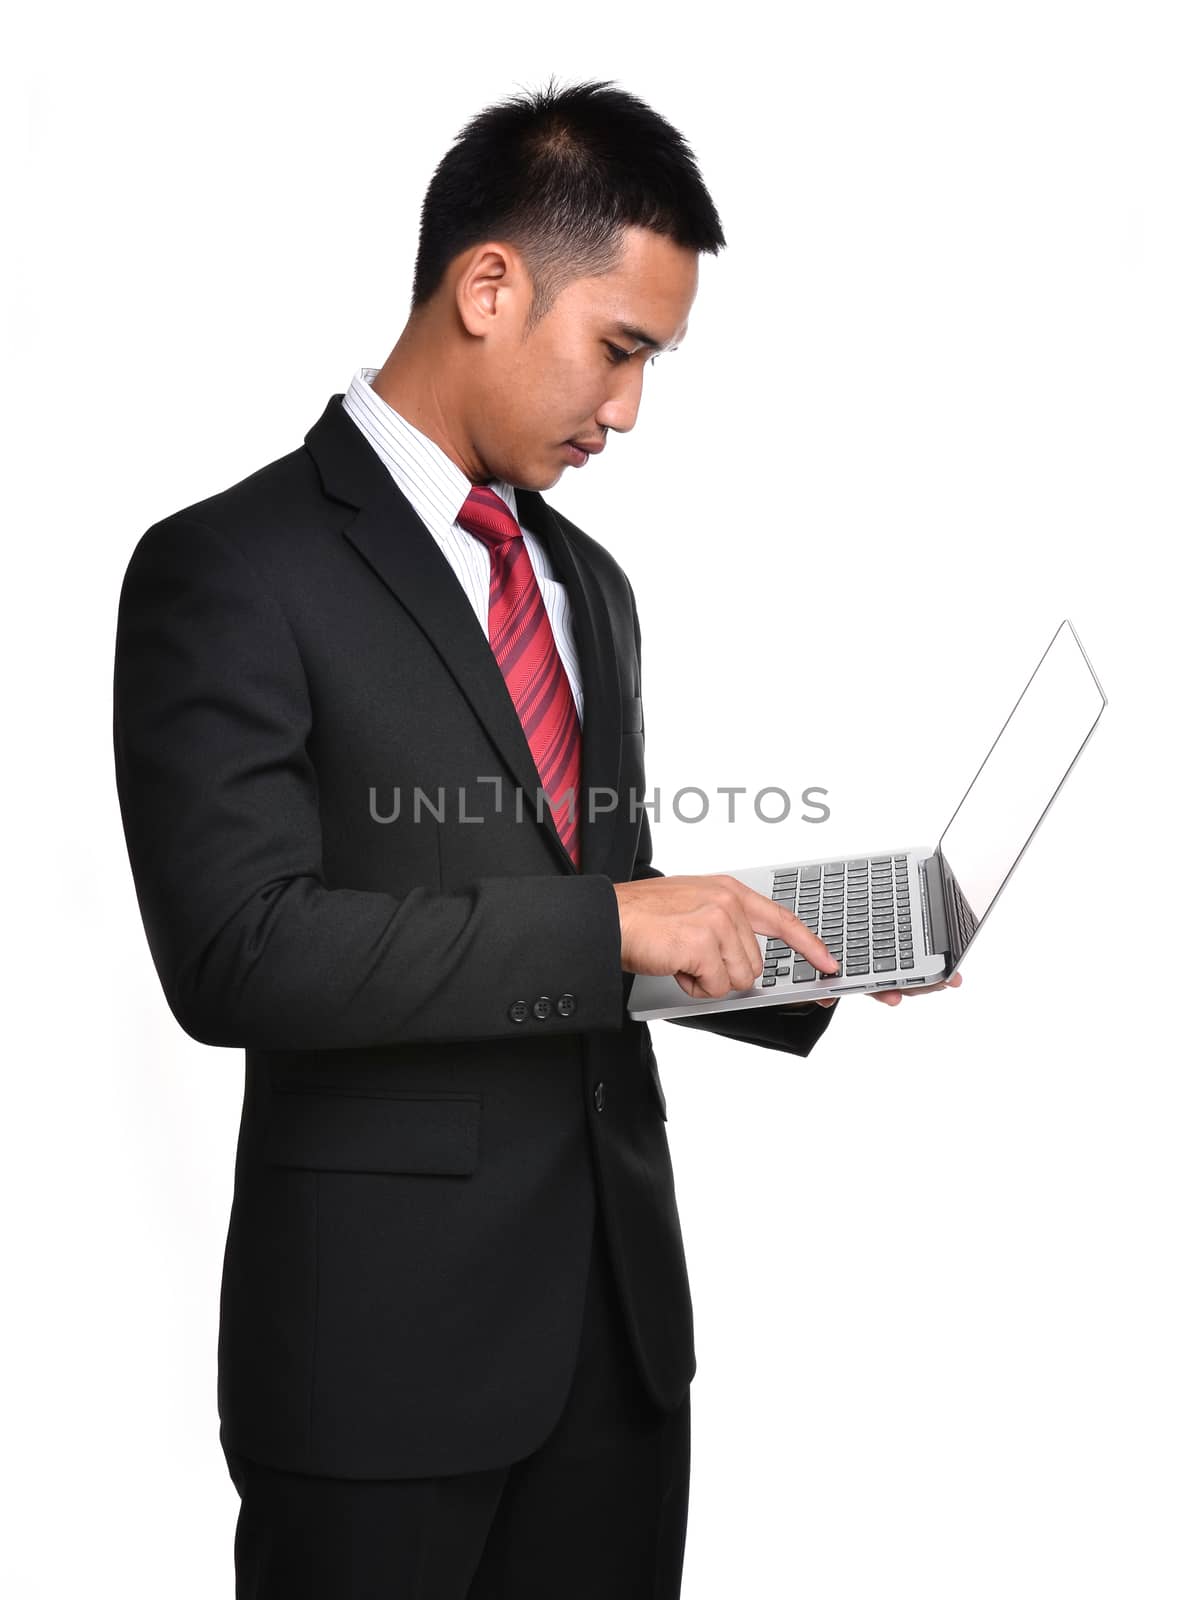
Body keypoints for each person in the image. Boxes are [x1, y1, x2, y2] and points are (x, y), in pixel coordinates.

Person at [112, 75, 959, 1599]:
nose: (630, 410)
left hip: (618, 1351)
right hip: (378, 1371)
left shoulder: (592, 586)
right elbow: (239, 951)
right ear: (489, 286)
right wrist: (615, 922)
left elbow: (602, 910)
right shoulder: (227, 570)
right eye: (620, 350)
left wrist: (808, 949)